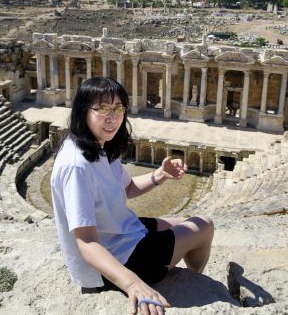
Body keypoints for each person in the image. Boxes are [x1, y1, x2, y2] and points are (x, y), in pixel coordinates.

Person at [51, 77, 214, 314]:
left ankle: (183, 274)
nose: (112, 117)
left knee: (186, 224)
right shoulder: (76, 166)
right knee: (204, 225)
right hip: (116, 262)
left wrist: (159, 175)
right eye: (102, 108)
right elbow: (86, 242)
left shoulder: (98, 145)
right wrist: (133, 283)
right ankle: (189, 278)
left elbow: (126, 188)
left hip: (124, 235)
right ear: (83, 111)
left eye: (118, 109)